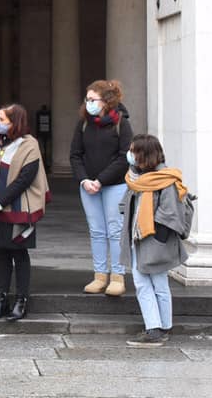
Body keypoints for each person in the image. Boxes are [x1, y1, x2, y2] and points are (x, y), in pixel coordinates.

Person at [0, 104, 50, 321]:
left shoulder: (29, 145)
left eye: (3, 119)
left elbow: (25, 178)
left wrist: (1, 200)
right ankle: (2, 299)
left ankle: (21, 300)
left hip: (17, 208)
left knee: (19, 253)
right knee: (2, 253)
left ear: (14, 122)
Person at [120, 134, 194, 347]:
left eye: (133, 151)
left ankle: (154, 329)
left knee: (146, 284)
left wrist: (155, 240)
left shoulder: (163, 179)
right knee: (156, 283)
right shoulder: (137, 178)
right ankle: (162, 326)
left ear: (144, 154)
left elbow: (169, 213)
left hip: (151, 241)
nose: (130, 155)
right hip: (139, 239)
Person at [69, 79, 133, 296]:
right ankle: (99, 275)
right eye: (87, 99)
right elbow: (75, 154)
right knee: (97, 231)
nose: (89, 103)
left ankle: (117, 276)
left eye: (93, 99)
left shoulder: (121, 123)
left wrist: (101, 180)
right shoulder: (84, 123)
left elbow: (125, 157)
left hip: (114, 185)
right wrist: (84, 179)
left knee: (115, 231)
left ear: (106, 101)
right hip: (88, 186)